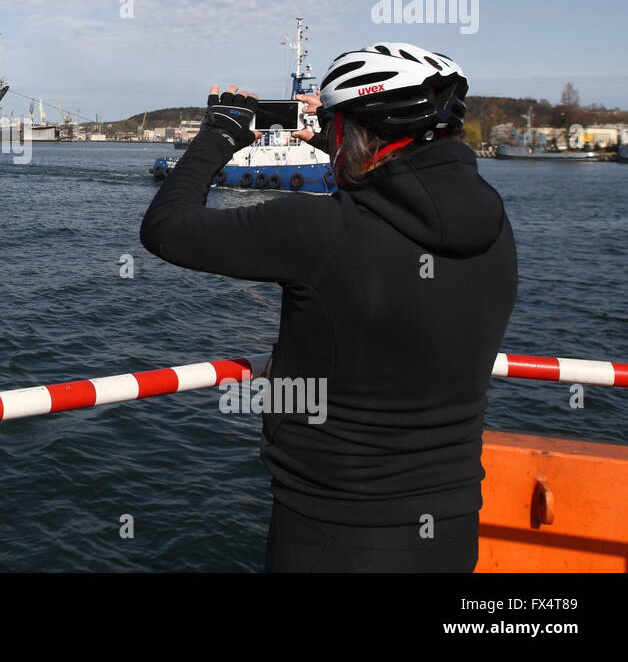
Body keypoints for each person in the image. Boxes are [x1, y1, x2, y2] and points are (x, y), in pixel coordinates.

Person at [140, 42, 517, 572]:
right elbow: (401, 197)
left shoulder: (319, 230)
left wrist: (220, 133)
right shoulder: (494, 227)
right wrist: (338, 138)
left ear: (351, 131)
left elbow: (166, 228)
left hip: (333, 534)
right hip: (451, 528)